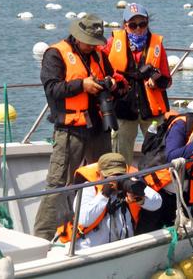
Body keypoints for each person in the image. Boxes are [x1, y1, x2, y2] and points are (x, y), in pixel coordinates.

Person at [33, 14, 126, 240]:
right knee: (58, 183)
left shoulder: (98, 56)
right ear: (77, 36)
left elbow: (112, 79)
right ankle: (42, 237)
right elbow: (52, 89)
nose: (93, 46)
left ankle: (102, 228)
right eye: (89, 41)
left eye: (96, 42)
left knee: (106, 176)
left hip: (98, 128)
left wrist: (112, 84)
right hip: (70, 131)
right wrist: (81, 85)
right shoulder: (55, 54)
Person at [102, 3, 172, 165]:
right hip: (123, 108)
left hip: (152, 111)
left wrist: (156, 79)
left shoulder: (157, 45)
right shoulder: (113, 43)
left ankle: (154, 186)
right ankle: (120, 187)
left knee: (157, 153)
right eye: (133, 25)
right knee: (120, 156)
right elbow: (100, 66)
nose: (138, 29)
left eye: (142, 24)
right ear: (125, 25)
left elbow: (167, 80)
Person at [55, 153, 161, 250]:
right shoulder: (89, 188)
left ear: (125, 172)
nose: (114, 180)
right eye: (108, 176)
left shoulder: (131, 183)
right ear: (100, 174)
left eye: (119, 175)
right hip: (91, 250)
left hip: (123, 247)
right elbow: (84, 219)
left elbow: (157, 203)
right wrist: (104, 195)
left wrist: (141, 199)